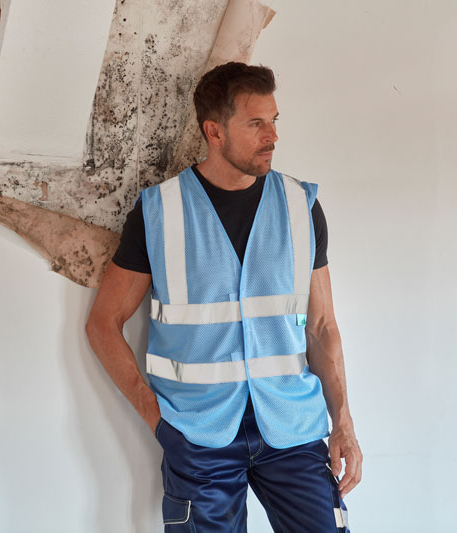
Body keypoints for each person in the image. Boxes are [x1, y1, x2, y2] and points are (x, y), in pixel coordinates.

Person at [85, 61, 361, 532]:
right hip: (199, 435)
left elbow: (321, 328)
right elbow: (102, 324)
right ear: (214, 131)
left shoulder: (301, 207)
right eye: (255, 124)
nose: (272, 136)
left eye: (273, 120)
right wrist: (158, 421)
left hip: (292, 428)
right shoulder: (159, 213)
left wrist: (344, 425)